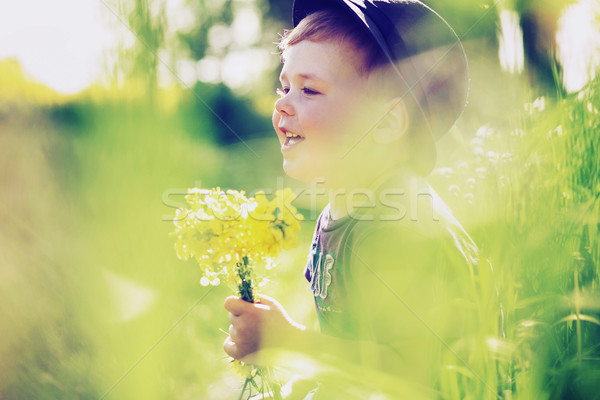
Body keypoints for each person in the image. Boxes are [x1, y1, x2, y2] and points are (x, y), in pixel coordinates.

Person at [224, 1, 500, 398]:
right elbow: (353, 346)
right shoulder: (343, 210)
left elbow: (413, 373)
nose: (282, 104)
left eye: (309, 89)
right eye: (284, 87)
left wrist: (290, 342)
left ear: (386, 122)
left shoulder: (400, 228)